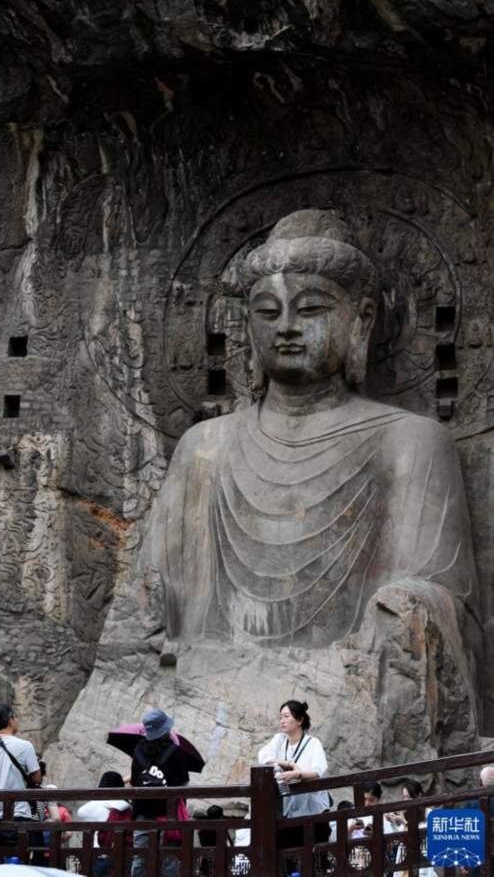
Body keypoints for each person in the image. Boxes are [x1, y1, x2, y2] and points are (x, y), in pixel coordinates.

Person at [143, 209, 480, 663]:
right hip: (204, 678)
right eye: (267, 312)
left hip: (349, 679)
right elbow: (152, 597)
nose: (286, 327)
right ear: (248, 326)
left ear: (360, 320)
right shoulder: (204, 446)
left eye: (311, 309)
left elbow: (438, 596)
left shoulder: (411, 442)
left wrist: (405, 605)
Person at [258, 699, 330, 865]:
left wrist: (298, 774)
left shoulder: (313, 743)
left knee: (316, 862)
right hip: (289, 811)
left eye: (286, 716)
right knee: (289, 861)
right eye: (280, 717)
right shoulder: (279, 740)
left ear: (299, 720)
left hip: (313, 811)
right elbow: (263, 756)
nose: (282, 720)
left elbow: (317, 771)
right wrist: (288, 764)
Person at [130, 708, 189, 877]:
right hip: (168, 814)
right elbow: (184, 783)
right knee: (169, 858)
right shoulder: (176, 752)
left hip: (142, 812)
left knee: (140, 857)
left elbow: (134, 781)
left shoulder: (138, 751)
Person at [0, 703, 42, 853]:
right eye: (15, 717)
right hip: (18, 814)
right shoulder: (25, 746)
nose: (17, 720)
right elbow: (37, 778)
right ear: (10, 721)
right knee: (18, 859)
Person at [77, 770, 131, 877]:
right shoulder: (126, 804)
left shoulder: (94, 805)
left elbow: (80, 812)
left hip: (97, 855)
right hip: (122, 855)